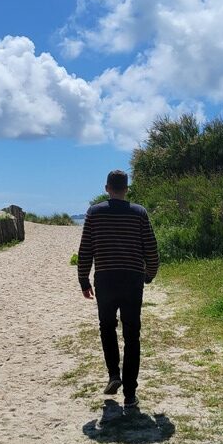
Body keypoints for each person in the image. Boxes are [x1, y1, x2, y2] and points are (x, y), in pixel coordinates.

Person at [77, 170, 159, 409]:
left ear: (107, 188)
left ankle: (114, 374)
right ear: (127, 189)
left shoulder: (94, 213)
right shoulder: (139, 213)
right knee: (132, 335)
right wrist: (149, 275)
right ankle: (130, 394)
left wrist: (84, 279)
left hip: (105, 279)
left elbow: (85, 249)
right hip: (132, 279)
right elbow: (151, 250)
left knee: (107, 327)